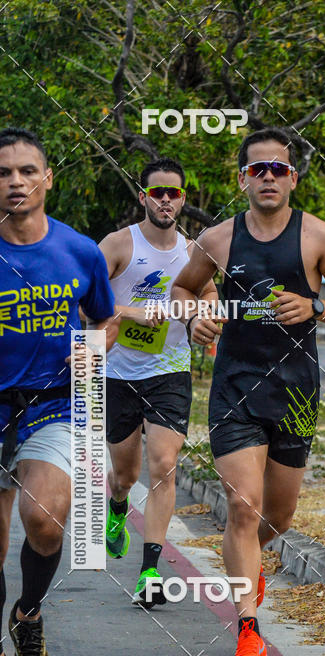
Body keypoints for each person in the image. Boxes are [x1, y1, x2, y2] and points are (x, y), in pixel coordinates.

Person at [171, 127, 325, 656]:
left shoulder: (319, 238)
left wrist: (316, 308)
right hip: (235, 386)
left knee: (277, 516)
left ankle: (246, 566)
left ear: (293, 178)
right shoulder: (219, 239)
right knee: (242, 507)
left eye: (279, 169)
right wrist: (194, 316)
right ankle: (248, 632)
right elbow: (183, 290)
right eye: (259, 170)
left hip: (296, 389)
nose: (269, 178)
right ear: (243, 179)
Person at [0, 127, 115, 656]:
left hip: (53, 404)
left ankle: (28, 614)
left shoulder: (79, 251)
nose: (15, 182)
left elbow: (108, 319)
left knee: (45, 519)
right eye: (3, 174)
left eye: (26, 171)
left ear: (46, 179)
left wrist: (93, 347)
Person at [99, 158, 217, 607]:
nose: (165, 200)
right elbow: (81, 294)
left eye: (174, 193)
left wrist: (206, 314)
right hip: (117, 372)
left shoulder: (192, 251)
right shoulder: (117, 244)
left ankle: (150, 571)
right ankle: (116, 506)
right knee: (127, 473)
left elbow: (207, 292)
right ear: (143, 196)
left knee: (164, 465)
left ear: (183, 199)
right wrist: (129, 312)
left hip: (169, 368)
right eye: (157, 192)